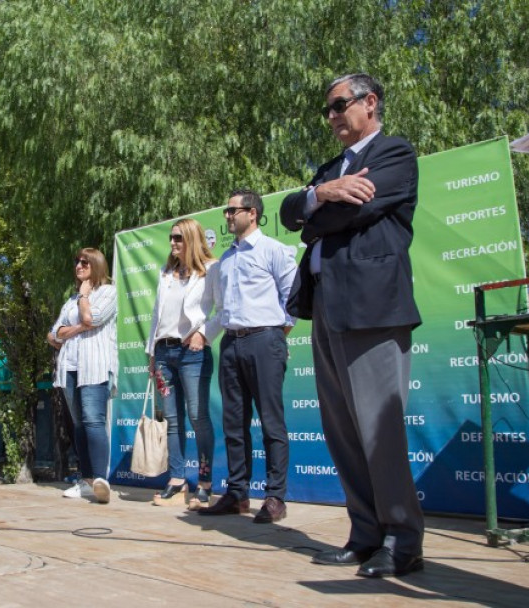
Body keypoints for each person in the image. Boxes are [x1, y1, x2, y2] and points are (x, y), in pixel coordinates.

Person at [280, 73, 424, 577]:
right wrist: (324, 192)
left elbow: (346, 216)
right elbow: (287, 212)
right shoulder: (329, 169)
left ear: (370, 102)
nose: (333, 116)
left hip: (373, 310)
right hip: (327, 311)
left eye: (340, 105)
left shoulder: (395, 154)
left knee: (378, 431)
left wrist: (318, 208)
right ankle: (365, 534)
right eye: (329, 109)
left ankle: (403, 540)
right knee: (342, 431)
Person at [197, 190, 297, 523]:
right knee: (234, 424)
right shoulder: (225, 260)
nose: (227, 216)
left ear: (251, 213)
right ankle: (237, 494)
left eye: (231, 210)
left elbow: (292, 300)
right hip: (231, 344)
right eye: (226, 210)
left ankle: (274, 497)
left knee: (271, 421)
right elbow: (222, 308)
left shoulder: (274, 251)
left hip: (265, 341)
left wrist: (273, 336)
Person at [145, 218, 217, 508]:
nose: (173, 243)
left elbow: (223, 310)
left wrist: (203, 333)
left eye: (179, 238)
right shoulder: (165, 272)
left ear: (192, 239)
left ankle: (205, 482)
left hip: (193, 353)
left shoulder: (211, 270)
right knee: (173, 421)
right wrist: (152, 355)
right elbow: (155, 316)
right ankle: (177, 480)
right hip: (164, 354)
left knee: (198, 417)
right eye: (171, 238)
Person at [48, 248, 117, 504]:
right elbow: (54, 335)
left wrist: (85, 298)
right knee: (78, 424)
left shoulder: (109, 292)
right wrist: (79, 326)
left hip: (95, 366)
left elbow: (92, 317)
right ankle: (86, 480)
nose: (78, 265)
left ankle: (100, 480)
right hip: (70, 368)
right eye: (77, 261)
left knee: (93, 421)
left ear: (96, 265)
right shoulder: (71, 300)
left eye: (84, 262)